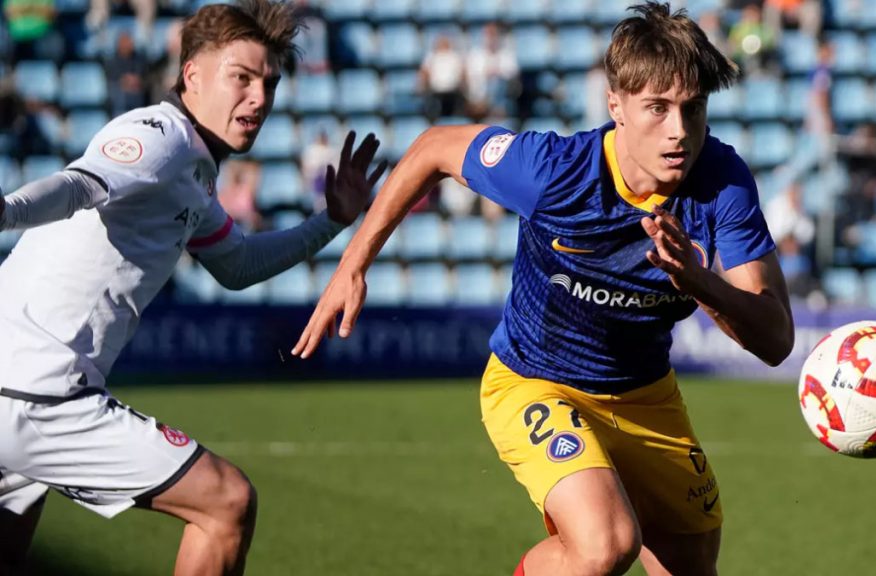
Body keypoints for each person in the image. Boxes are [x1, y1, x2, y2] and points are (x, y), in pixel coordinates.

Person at [295, 3, 793, 575]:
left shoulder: (723, 184)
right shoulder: (556, 172)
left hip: (646, 397)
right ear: (616, 106)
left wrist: (700, 282)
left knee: (690, 566)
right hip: (534, 382)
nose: (679, 131)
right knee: (605, 544)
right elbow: (434, 146)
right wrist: (352, 265)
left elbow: (776, 338)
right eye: (656, 108)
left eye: (693, 108)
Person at [0, 1, 384, 574]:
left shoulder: (194, 174)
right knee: (226, 503)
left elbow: (237, 265)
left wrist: (328, 222)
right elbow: (76, 186)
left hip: (17, 384)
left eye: (269, 84)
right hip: (38, 392)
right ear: (192, 76)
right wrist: (6, 210)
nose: (259, 98)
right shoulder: (160, 137)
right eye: (242, 77)